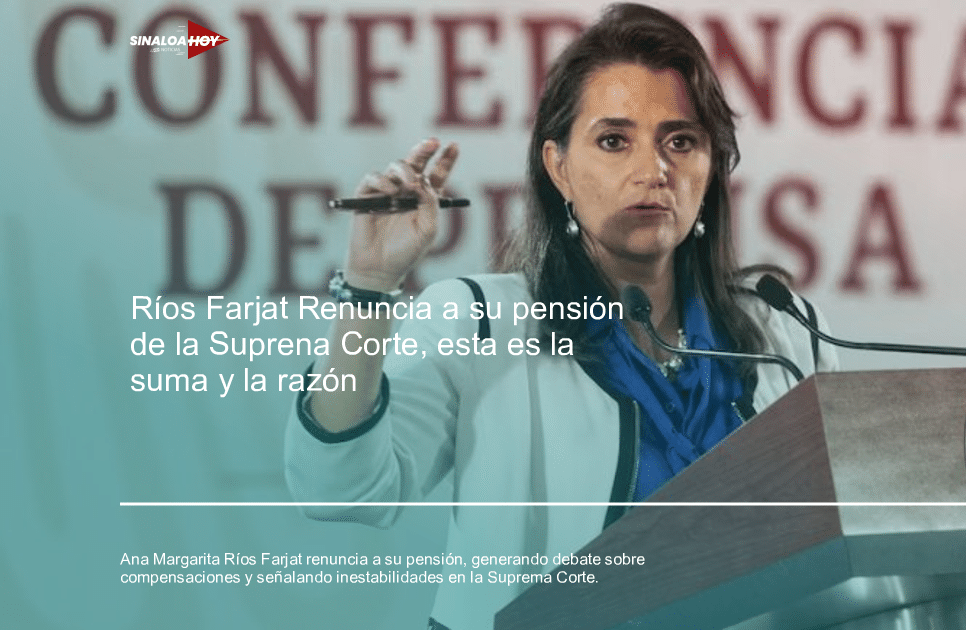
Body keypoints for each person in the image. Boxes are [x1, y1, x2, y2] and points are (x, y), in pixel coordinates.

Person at [284, 4, 838, 629]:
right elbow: (340, 488)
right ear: (558, 166)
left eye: (681, 141)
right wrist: (369, 289)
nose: (653, 169)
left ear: (711, 169)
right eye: (613, 140)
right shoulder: (481, 321)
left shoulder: (783, 334)